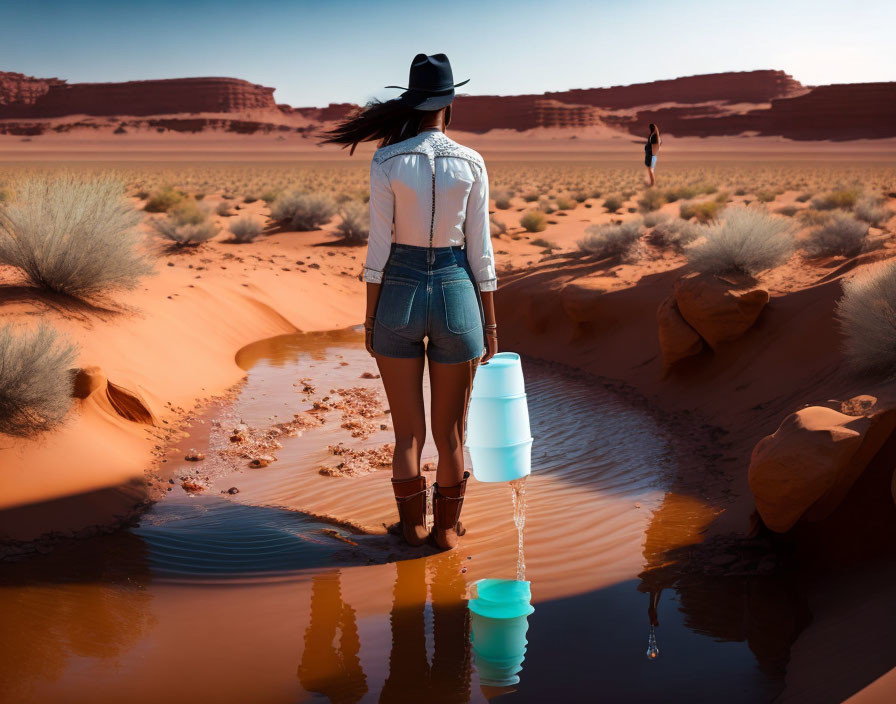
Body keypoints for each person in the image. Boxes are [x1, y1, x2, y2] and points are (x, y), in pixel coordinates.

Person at [322, 54, 498, 550]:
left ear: (412, 101)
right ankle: (446, 531)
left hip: (398, 288)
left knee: (407, 437)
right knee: (453, 439)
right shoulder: (473, 162)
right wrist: (490, 325)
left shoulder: (386, 160)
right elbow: (481, 251)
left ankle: (413, 526)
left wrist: (370, 317)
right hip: (457, 292)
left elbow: (378, 249)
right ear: (450, 104)